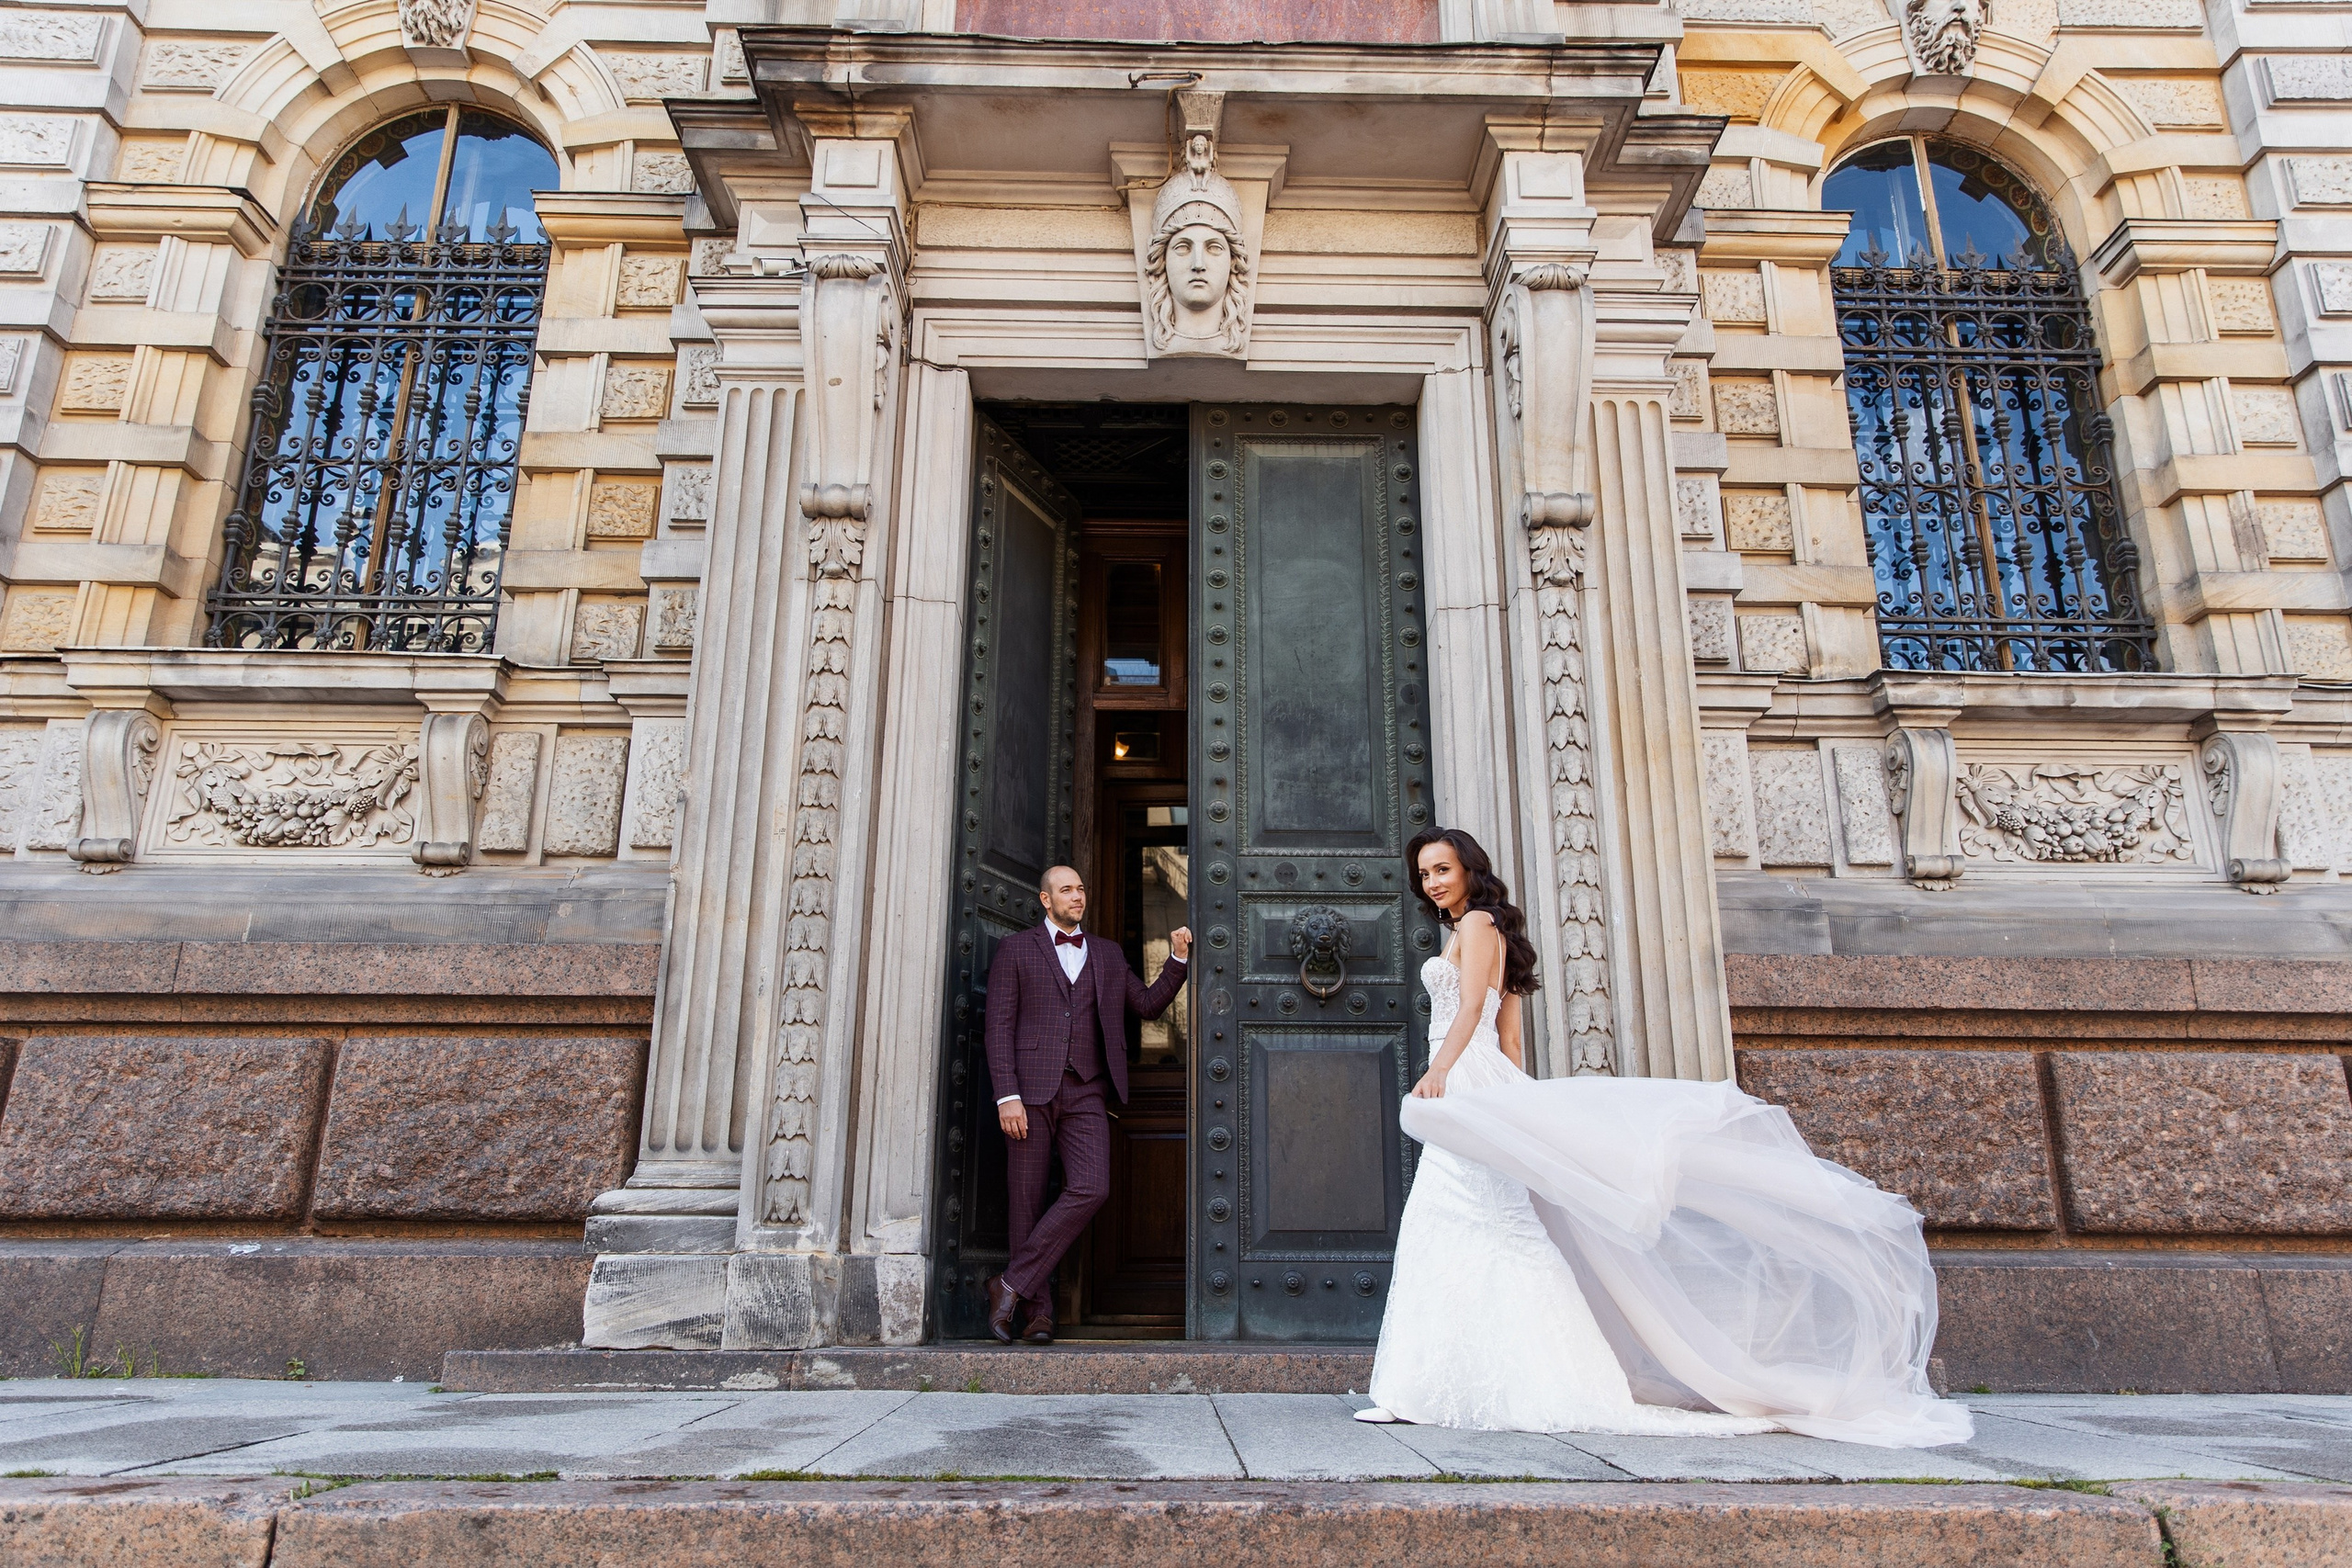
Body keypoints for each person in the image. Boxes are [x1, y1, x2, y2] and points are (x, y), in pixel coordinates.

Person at [1356, 827, 1972, 1447]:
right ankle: (1447, 1383)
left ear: (1468, 870)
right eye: (1426, 873)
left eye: (1443, 868)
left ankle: (1443, 1386)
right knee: (1479, 1222)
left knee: (1467, 1218)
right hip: (1482, 1079)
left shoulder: (1480, 927)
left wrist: (1440, 1070)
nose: (1434, 880)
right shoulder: (1479, 929)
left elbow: (1470, 1014)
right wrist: (1526, 1105)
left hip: (1464, 1078)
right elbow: (1511, 1037)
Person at [983, 863, 1192, 1345]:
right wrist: (1007, 1096)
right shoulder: (1016, 950)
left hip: (1087, 1090)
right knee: (1026, 1204)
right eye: (1066, 890)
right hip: (1029, 1092)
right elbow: (998, 1027)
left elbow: (1146, 1006)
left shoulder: (1107, 953)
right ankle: (1037, 1314)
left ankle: (1009, 1284)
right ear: (1045, 899)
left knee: (1092, 1187)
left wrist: (1177, 961)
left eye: (1081, 888)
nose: (1077, 897)